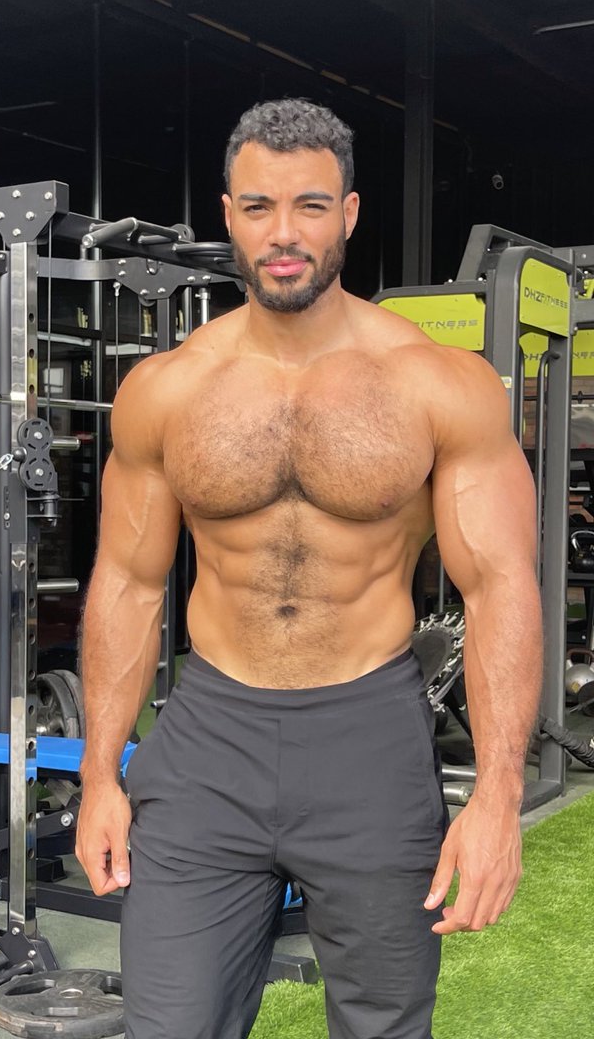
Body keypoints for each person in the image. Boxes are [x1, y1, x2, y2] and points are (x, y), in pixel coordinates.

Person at [76, 98, 542, 1039]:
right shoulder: (166, 391)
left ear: (351, 213)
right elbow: (127, 582)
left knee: (382, 1023)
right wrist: (97, 775)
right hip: (209, 735)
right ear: (229, 215)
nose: (283, 234)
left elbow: (500, 588)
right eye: (258, 207)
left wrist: (498, 796)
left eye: (310, 206)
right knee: (170, 1022)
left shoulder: (438, 384)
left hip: (368, 736)